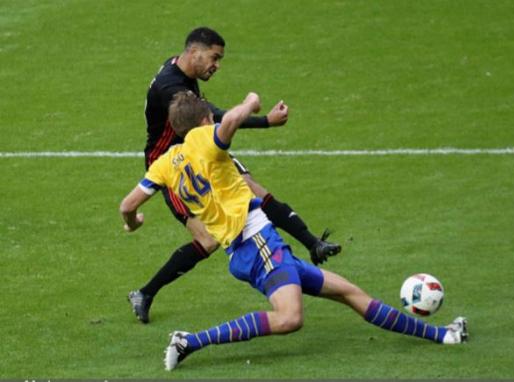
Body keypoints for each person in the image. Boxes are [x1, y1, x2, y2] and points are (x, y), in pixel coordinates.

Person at [119, 91, 469, 371]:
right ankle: (189, 341)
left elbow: (127, 206)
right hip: (257, 242)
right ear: (206, 118)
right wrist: (251, 101)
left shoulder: (165, 163)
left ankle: (444, 336)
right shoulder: (203, 138)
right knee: (290, 318)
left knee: (350, 293)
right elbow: (235, 119)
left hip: (247, 250)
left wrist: (134, 224)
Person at [128, 27, 341, 323]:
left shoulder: (179, 68)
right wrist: (266, 120)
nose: (217, 65)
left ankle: (312, 243)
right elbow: (215, 116)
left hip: (201, 149)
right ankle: (146, 292)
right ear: (194, 52)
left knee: (253, 188)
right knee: (207, 240)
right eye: (214, 57)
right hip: (174, 164)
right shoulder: (169, 86)